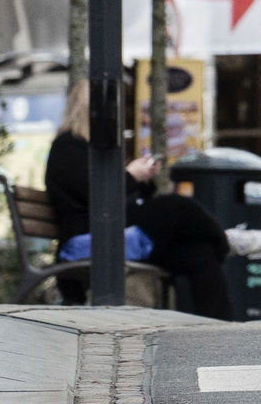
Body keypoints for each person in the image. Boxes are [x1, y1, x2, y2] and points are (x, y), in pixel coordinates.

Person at [44, 96, 233, 319]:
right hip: (86, 240)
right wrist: (131, 176)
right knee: (174, 207)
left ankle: (218, 326)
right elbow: (98, 195)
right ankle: (227, 240)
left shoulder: (95, 150)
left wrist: (142, 180)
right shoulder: (67, 146)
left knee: (200, 254)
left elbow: (122, 196)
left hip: (115, 231)